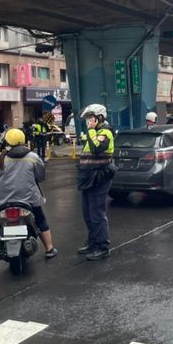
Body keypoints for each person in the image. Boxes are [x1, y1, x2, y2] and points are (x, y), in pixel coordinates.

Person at [0, 128, 57, 260]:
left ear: (6, 142)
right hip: (30, 200)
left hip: (4, 201)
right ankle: (49, 249)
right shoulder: (33, 157)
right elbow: (41, 177)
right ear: (23, 140)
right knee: (40, 220)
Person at [77, 104, 115, 261]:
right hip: (88, 177)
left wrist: (91, 130)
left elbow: (96, 149)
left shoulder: (105, 132)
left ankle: (102, 246)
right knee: (87, 213)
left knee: (97, 213)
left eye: (90, 119)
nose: (88, 122)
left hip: (99, 177)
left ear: (99, 118)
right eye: (87, 119)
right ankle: (92, 242)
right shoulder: (95, 132)